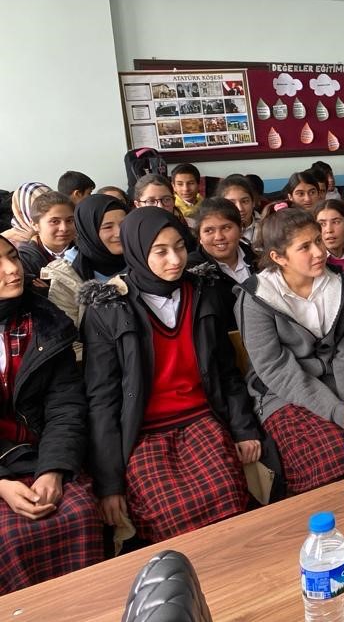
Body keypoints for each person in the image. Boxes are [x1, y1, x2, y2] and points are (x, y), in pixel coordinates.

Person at [80, 208, 260, 543]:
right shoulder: (108, 308)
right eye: (160, 252)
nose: (175, 259)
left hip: (202, 418)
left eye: (179, 246)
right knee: (167, 511)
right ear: (136, 250)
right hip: (144, 431)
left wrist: (244, 428)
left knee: (226, 493)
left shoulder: (203, 292)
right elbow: (101, 399)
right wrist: (109, 483)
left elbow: (226, 370)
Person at [235, 208, 344, 495]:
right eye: (304, 247)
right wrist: (336, 411)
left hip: (341, 382)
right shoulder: (257, 298)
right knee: (330, 459)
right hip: (282, 394)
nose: (319, 252)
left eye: (318, 241)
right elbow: (275, 369)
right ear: (279, 258)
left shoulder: (340, 284)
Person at [0, 235, 104, 594]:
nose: (13, 270)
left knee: (78, 514)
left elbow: (65, 405)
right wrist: (1, 485)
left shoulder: (45, 323)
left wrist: (54, 470)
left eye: (12, 257)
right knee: (8, 539)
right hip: (2, 468)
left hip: (42, 453)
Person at [40, 194, 127, 328]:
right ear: (88, 231)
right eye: (107, 227)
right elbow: (71, 338)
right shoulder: (66, 276)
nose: (119, 233)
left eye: (124, 224)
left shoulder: (143, 259)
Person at [186, 198, 258, 331]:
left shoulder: (259, 260)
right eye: (209, 230)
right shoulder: (192, 271)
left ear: (240, 229)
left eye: (226, 227)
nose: (219, 237)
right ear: (199, 237)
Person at [16, 192, 76, 280]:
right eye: (55, 221)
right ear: (35, 225)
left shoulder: (86, 250)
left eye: (69, 220)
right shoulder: (24, 259)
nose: (64, 228)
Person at [216, 175, 261, 246]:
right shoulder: (216, 233)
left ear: (253, 202)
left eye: (245, 201)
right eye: (232, 203)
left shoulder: (267, 226)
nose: (240, 208)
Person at [171, 163, 203, 229]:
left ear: (199, 185)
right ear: (173, 186)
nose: (186, 189)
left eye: (191, 183)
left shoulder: (206, 205)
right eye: (180, 184)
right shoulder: (171, 208)